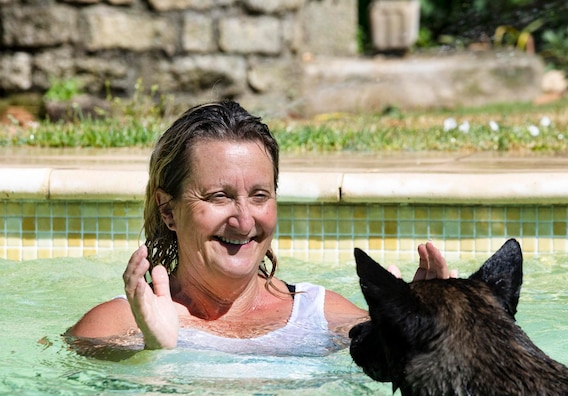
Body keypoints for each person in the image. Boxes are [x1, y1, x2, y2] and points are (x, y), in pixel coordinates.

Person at [67, 100, 452, 356]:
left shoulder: (325, 318)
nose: (245, 220)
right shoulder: (113, 328)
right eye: (219, 196)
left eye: (259, 195)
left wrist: (424, 324)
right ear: (168, 210)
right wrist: (156, 357)